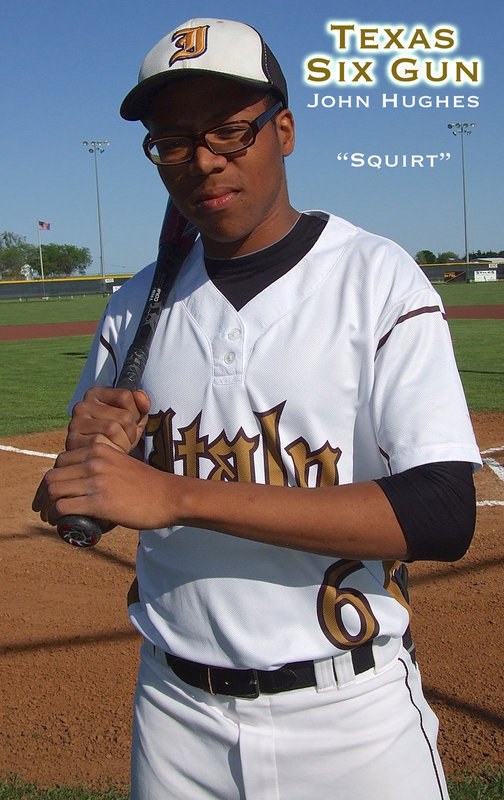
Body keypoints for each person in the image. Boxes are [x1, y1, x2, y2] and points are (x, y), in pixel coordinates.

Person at [33, 17, 482, 800]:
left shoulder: (377, 279)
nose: (203, 160)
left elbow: (443, 511)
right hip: (175, 717)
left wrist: (174, 495)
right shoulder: (136, 302)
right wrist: (84, 471)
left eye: (230, 131)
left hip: (350, 718)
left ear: (284, 130)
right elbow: (79, 499)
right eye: (172, 141)